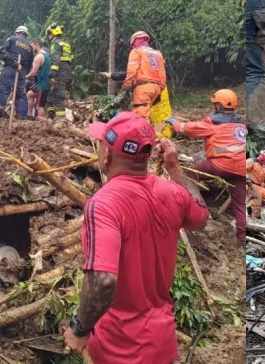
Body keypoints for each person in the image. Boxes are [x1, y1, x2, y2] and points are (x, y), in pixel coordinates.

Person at [62, 112, 209, 363]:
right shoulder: (173, 192)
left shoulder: (104, 204)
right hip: (162, 342)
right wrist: (174, 168)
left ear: (107, 155)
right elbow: (201, 216)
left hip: (121, 349)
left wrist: (80, 329)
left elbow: (103, 281)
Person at [168, 89, 247, 244]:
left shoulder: (213, 121)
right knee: (240, 204)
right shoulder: (242, 122)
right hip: (240, 168)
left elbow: (188, 129)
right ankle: (242, 238)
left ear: (218, 105)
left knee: (189, 176)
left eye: (214, 103)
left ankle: (196, 207)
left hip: (220, 164)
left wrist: (174, 123)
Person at [105, 31, 166, 120]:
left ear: (135, 41)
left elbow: (132, 70)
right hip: (156, 88)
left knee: (140, 115)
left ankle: (142, 133)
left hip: (143, 87)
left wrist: (127, 85)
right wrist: (160, 89)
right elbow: (163, 74)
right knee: (147, 111)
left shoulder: (136, 51)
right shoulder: (158, 54)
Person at [0, 25, 33, 119]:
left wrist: (13, 63)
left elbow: (1, 50)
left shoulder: (12, 39)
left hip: (10, 68)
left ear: (17, 33)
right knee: (20, 94)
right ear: (26, 35)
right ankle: (21, 116)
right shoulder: (30, 46)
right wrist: (24, 72)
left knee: (4, 91)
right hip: (22, 71)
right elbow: (30, 63)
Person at [46, 23, 73, 119]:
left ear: (53, 33)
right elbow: (70, 60)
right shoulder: (66, 44)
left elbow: (56, 59)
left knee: (58, 99)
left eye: (49, 34)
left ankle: (60, 121)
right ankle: (51, 117)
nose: (49, 36)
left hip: (60, 75)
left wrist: (52, 73)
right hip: (67, 74)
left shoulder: (55, 44)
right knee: (49, 96)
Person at [26, 38, 51, 119]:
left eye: (32, 46)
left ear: (37, 45)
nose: (31, 49)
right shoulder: (47, 55)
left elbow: (33, 73)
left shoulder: (38, 57)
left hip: (43, 84)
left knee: (39, 106)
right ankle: (29, 115)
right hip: (44, 82)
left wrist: (24, 77)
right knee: (30, 94)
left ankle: (42, 124)